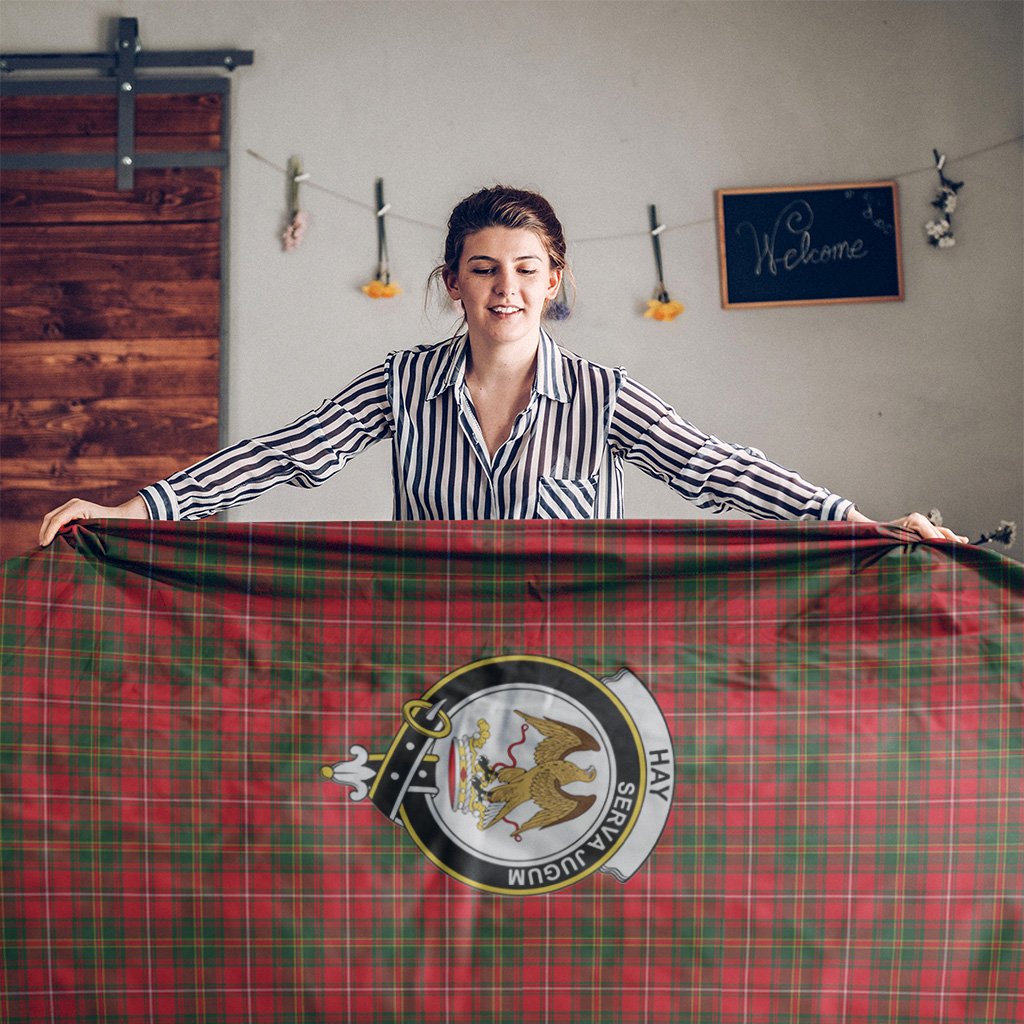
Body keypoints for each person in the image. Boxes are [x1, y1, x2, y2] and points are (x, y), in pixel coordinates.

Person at [38, 186, 967, 547]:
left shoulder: (603, 397)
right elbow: (284, 455)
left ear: (555, 280)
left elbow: (718, 468)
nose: (506, 289)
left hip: (577, 665)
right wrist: (138, 510)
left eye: (526, 271)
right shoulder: (401, 383)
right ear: (453, 283)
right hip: (431, 656)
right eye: (484, 270)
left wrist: (856, 523)